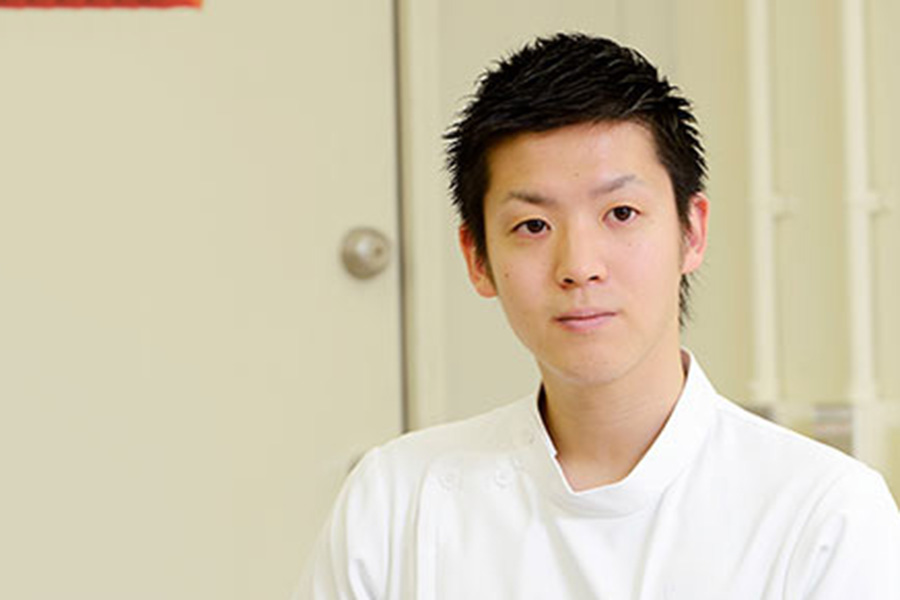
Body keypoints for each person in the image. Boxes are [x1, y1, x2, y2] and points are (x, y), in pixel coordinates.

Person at [295, 33, 900, 599]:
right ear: (477, 258)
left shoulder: (823, 513)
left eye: (621, 214)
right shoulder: (397, 500)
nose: (579, 266)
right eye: (533, 225)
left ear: (692, 232)